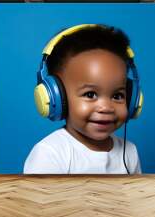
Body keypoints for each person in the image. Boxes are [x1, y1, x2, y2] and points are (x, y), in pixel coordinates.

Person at [24, 24, 143, 174]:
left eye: (117, 96)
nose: (106, 107)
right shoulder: (50, 154)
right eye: (90, 94)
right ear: (56, 97)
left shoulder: (130, 152)